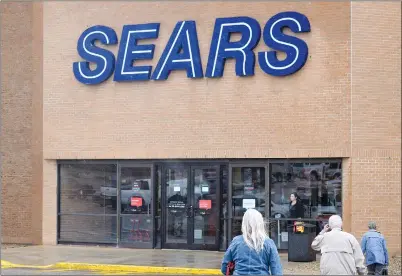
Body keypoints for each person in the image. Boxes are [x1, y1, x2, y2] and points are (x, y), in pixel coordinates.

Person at [221, 209, 282, 275]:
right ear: (260, 223)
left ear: (244, 224)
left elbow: (224, 268)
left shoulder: (236, 242)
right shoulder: (268, 243)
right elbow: (277, 271)